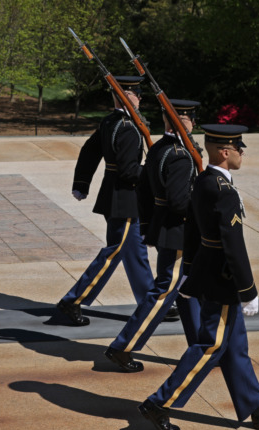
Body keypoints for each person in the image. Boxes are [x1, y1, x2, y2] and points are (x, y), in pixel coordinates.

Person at [138, 124, 259, 430]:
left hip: (207, 275)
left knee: (235, 345)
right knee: (210, 346)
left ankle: (256, 406)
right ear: (226, 152)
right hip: (223, 281)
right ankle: (159, 403)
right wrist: (247, 290)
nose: (242, 152)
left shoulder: (204, 181)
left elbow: (194, 231)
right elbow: (233, 245)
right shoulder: (222, 191)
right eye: (239, 147)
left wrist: (189, 272)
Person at [104, 100, 203, 372]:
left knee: (187, 290)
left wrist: (148, 227)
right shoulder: (181, 156)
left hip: (164, 230)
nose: (191, 123)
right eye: (189, 119)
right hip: (179, 233)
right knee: (163, 292)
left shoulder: (160, 148)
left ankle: (200, 344)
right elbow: (180, 202)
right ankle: (122, 347)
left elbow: (144, 193)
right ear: (186, 122)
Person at [57, 76, 155, 326]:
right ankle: (73, 300)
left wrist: (82, 184)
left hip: (115, 197)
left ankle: (150, 302)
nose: (140, 98)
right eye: (135, 93)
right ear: (124, 96)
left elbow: (90, 150)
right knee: (116, 252)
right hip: (125, 198)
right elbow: (129, 171)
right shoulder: (128, 127)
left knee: (135, 252)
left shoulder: (112, 121)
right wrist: (155, 174)